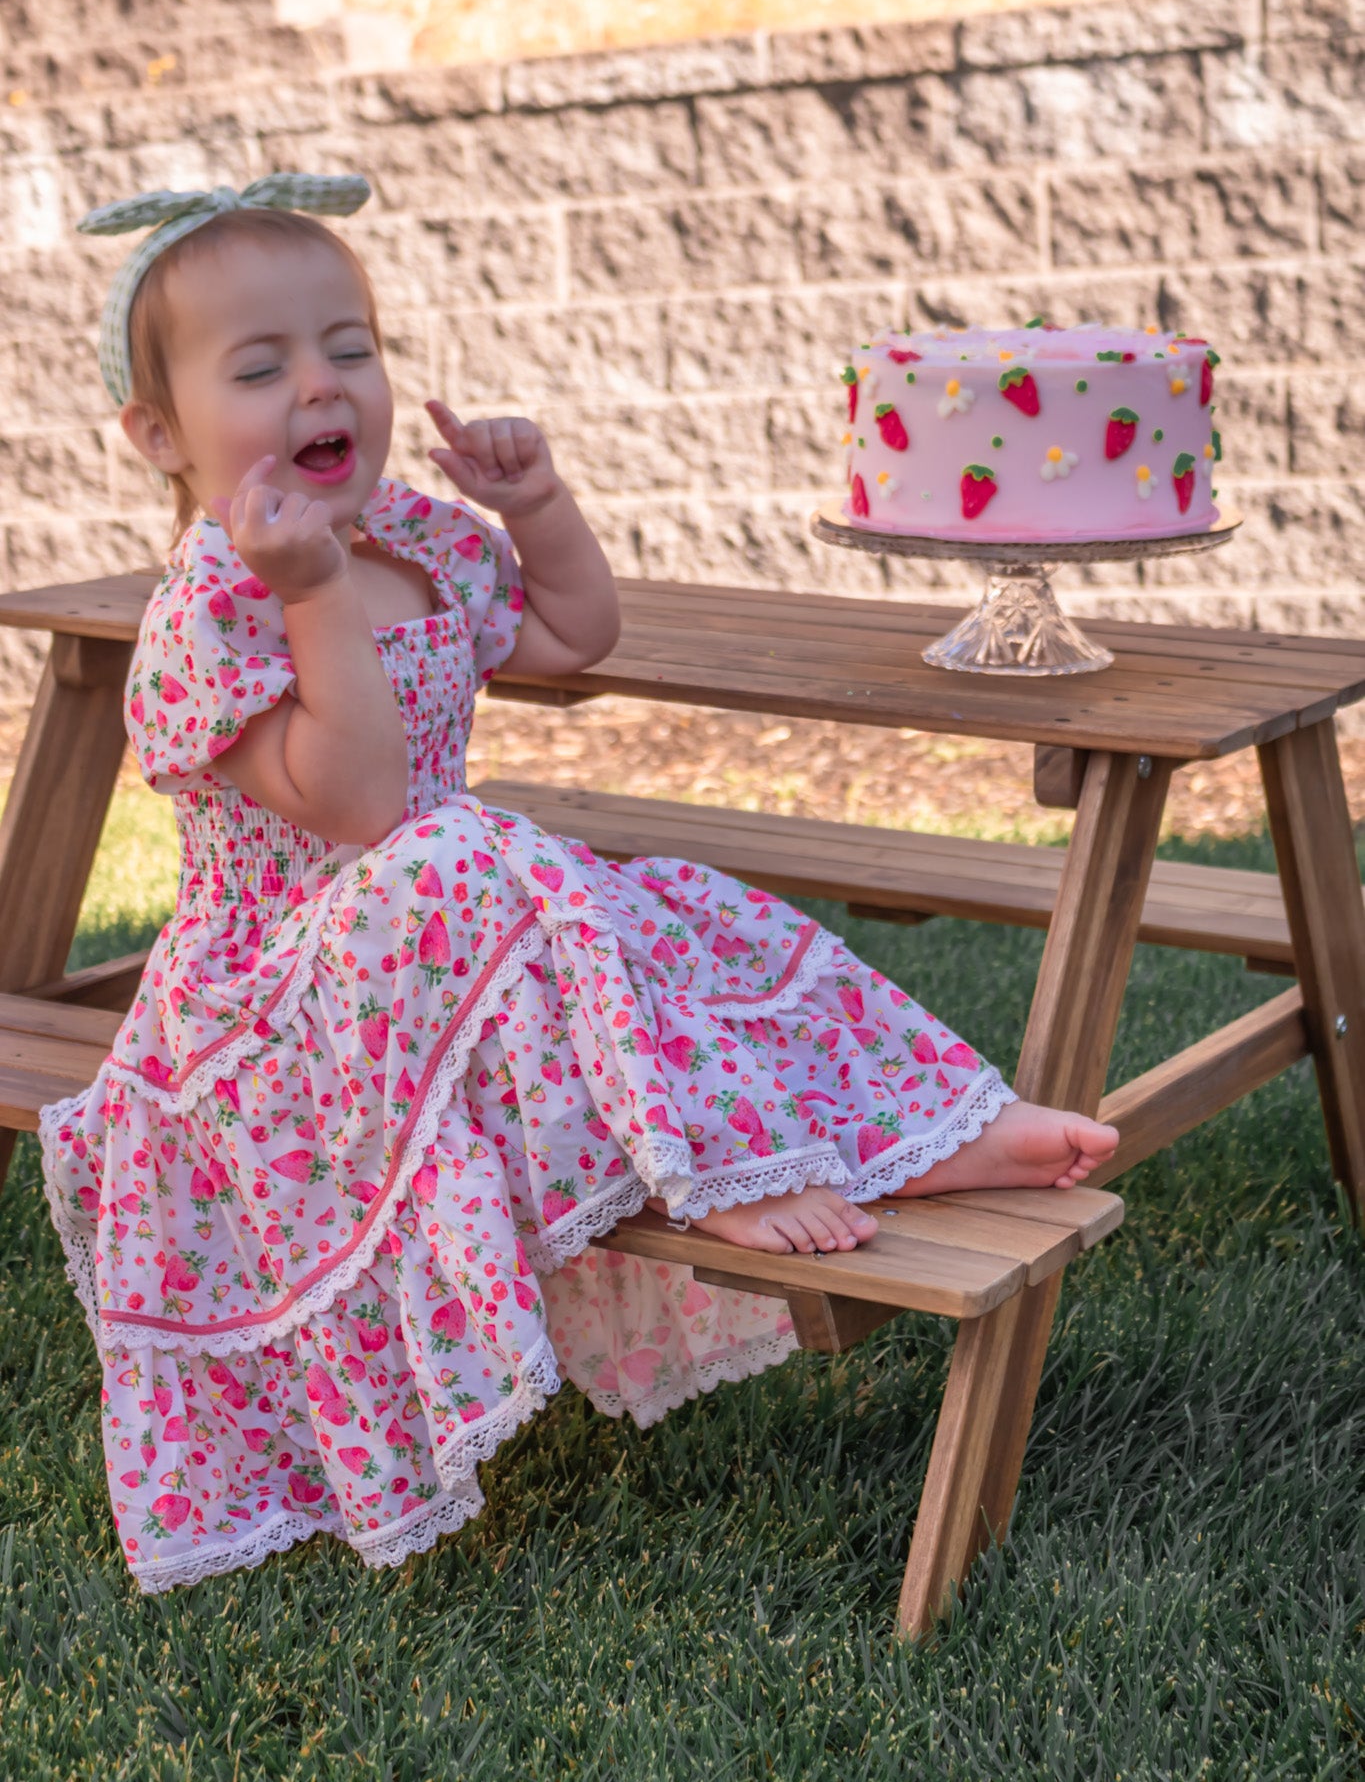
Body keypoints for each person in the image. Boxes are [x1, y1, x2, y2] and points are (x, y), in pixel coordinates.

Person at [42, 174, 1117, 1593]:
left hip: (459, 933)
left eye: (347, 345)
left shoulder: (410, 541)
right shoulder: (214, 611)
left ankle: (920, 1130)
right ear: (160, 436)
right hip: (288, 1013)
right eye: (261, 366)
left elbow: (568, 633)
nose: (322, 384)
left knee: (682, 904)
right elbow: (365, 812)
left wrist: (533, 503)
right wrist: (306, 596)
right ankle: (704, 1174)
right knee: (466, 855)